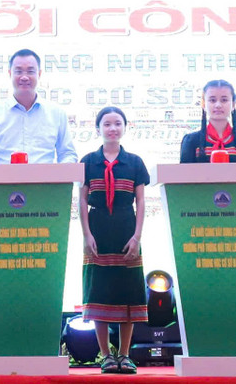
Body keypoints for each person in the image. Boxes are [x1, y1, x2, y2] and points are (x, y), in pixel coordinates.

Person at [78, 107, 149, 374]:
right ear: (98, 128)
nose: (112, 128)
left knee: (127, 290)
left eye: (117, 123)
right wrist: (86, 235)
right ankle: (106, 355)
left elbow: (140, 202)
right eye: (107, 124)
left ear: (125, 127)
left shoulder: (135, 162)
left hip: (126, 229)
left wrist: (137, 237)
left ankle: (125, 354)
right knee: (99, 290)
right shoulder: (88, 161)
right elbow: (82, 200)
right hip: (97, 230)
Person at [0, 48, 77, 164]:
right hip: (5, 176)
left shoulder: (56, 113)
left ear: (39, 74)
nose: (24, 77)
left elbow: (67, 154)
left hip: (45, 176)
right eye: (18, 71)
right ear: (10, 73)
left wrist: (62, 172)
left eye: (30, 71)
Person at [179, 79, 236, 163]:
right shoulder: (191, 141)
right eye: (212, 100)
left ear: (233, 104)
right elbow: (185, 171)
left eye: (224, 100)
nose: (218, 105)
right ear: (203, 104)